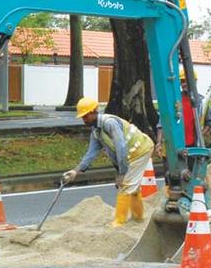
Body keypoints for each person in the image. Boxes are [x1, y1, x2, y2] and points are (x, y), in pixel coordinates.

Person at [62, 97, 155, 227]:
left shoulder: (109, 123)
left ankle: (119, 221)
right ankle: (138, 218)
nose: (84, 119)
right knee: (132, 186)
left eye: (86, 116)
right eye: (82, 117)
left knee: (126, 185)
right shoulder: (96, 130)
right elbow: (91, 153)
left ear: (94, 112)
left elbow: (121, 148)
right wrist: (75, 171)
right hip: (132, 153)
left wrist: (121, 174)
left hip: (140, 150)